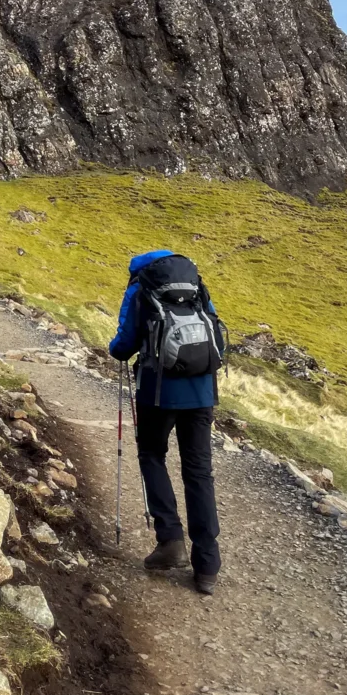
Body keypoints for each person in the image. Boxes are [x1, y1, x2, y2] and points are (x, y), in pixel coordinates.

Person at [109, 248, 224, 596]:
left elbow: (123, 345)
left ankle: (171, 540)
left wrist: (115, 349)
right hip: (203, 392)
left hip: (158, 393)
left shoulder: (141, 288)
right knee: (199, 471)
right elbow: (213, 332)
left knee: (152, 455)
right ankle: (207, 566)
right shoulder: (196, 286)